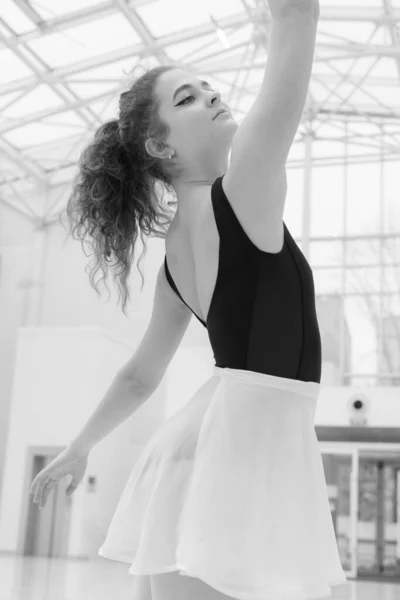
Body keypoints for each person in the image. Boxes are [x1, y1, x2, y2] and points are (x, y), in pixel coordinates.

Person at [29, 1, 349, 599]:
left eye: (207, 88)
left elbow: (139, 378)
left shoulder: (176, 257)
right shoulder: (246, 184)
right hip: (227, 458)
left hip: (198, 456)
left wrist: (79, 449)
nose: (210, 96)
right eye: (187, 100)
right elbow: (296, 18)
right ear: (160, 145)